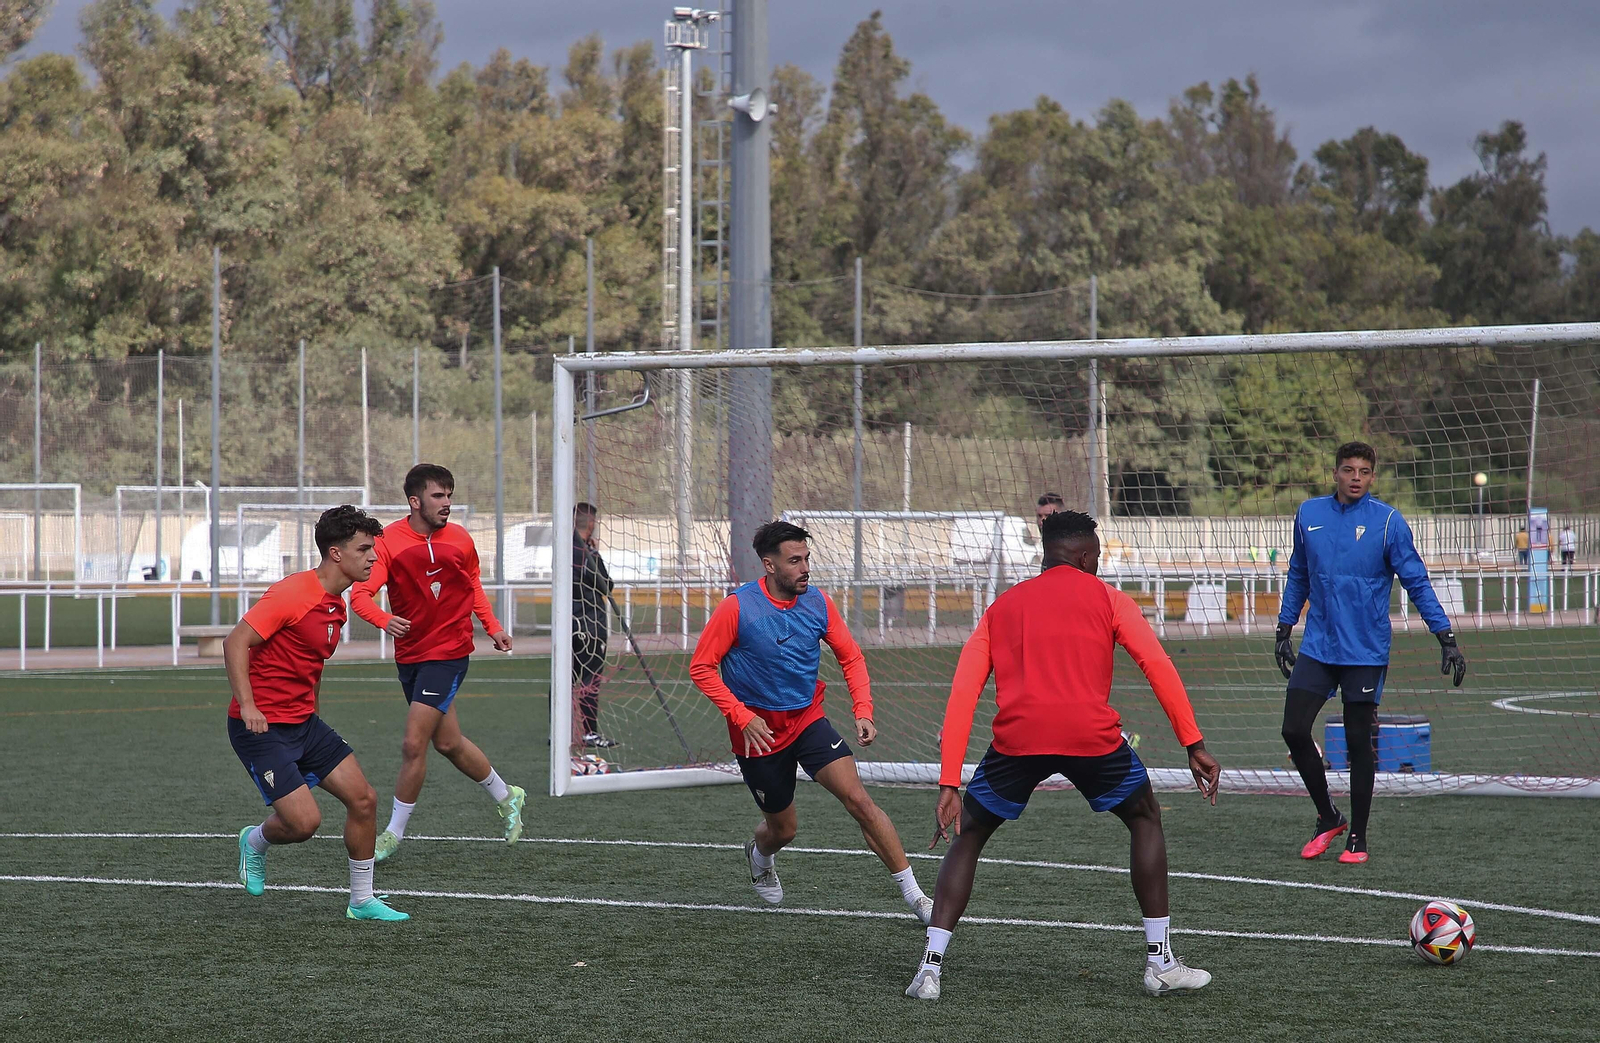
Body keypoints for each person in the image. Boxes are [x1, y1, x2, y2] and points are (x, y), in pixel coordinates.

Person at [906, 509, 1220, 1001]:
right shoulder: (1109, 598)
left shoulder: (1003, 606)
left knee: (969, 834)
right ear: (1083, 554)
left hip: (1018, 740)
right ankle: (1160, 962)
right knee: (1144, 815)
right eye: (1096, 556)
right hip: (1090, 737)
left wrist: (949, 782)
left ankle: (930, 968)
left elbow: (963, 692)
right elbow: (1156, 665)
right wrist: (1193, 743)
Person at [690, 520, 933, 923]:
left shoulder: (818, 602)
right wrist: (741, 715)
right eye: (794, 560)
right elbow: (702, 668)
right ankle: (761, 854)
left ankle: (918, 898)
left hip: (806, 719)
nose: (805, 568)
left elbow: (851, 656)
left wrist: (864, 709)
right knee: (783, 830)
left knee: (860, 801)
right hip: (758, 735)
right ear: (769, 565)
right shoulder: (737, 607)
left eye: (807, 559)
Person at [1275, 441, 1467, 866]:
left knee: (1359, 740)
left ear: (1373, 476)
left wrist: (1445, 636)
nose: (1356, 477)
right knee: (1293, 729)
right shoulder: (1309, 515)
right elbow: (1299, 574)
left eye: (1364, 470)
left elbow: (1416, 581)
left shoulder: (1388, 523)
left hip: (1365, 650)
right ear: (1335, 474)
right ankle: (1328, 816)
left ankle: (1357, 837)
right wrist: (1284, 626)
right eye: (1348, 469)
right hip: (1320, 645)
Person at [226, 505, 408, 921]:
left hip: (303, 724)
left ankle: (361, 900)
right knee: (304, 824)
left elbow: (311, 665)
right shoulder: (293, 592)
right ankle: (253, 842)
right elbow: (235, 642)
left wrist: (314, 715)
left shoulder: (336, 605)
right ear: (336, 553)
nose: (373, 557)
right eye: (364, 549)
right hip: (261, 727)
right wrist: (249, 705)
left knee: (364, 800)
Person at [350, 464, 525, 863]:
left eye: (449, 495)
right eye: (438, 496)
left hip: (449, 653)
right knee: (448, 742)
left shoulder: (461, 540)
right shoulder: (388, 542)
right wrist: (384, 619)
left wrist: (492, 627)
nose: (447, 503)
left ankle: (392, 834)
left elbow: (473, 586)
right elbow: (360, 596)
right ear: (415, 501)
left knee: (414, 743)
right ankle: (507, 794)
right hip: (411, 656)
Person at [573, 501, 619, 748]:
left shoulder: (564, 550)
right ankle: (590, 732)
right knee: (590, 678)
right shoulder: (589, 554)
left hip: (567, 624)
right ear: (590, 524)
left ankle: (557, 733)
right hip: (590, 626)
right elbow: (606, 586)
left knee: (564, 678)